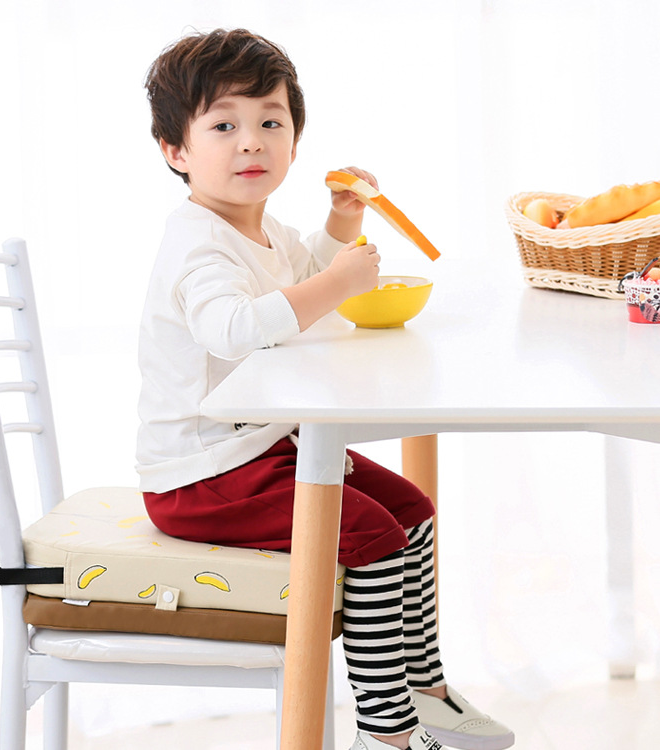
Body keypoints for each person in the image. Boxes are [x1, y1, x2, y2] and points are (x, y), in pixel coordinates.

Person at [136, 27, 514, 750]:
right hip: (201, 474)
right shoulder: (195, 242)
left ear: (295, 143)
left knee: (413, 511)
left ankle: (426, 689)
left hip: (260, 451)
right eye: (224, 125)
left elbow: (300, 270)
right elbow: (236, 327)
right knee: (371, 538)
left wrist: (342, 220)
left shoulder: (260, 227)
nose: (251, 142)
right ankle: (389, 731)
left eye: (270, 122)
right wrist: (337, 283)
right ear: (175, 151)